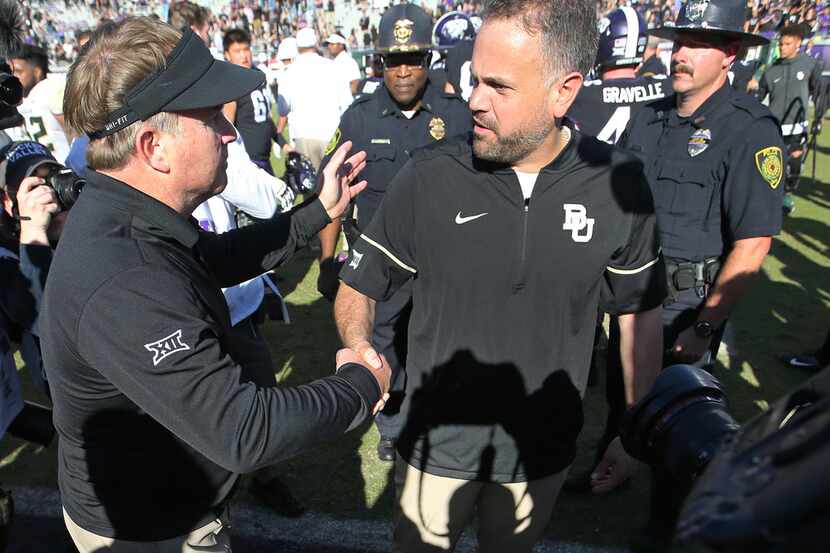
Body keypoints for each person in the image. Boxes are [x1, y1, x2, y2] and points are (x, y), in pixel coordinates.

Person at [40, 17, 390, 552]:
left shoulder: (130, 212)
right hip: (153, 532)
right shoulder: (123, 278)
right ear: (154, 146)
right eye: (211, 117)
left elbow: (210, 259)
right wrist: (362, 385)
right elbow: (243, 431)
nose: (231, 131)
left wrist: (316, 212)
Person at [334, 0, 666, 550]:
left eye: (499, 86)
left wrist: (637, 431)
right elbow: (360, 282)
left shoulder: (619, 183)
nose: (474, 100)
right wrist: (355, 341)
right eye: (475, 80)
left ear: (564, 91)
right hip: (434, 446)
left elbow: (638, 314)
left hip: (541, 452)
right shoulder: (431, 174)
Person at [618, 1, 784, 551]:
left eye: (699, 43)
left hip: (683, 310)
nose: (681, 53)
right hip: (627, 296)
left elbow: (755, 241)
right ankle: (612, 465)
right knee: (623, 403)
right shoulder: (650, 115)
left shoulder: (748, 129)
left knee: (679, 431)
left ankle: (668, 528)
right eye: (679, 40)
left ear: (731, 54)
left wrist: (705, 327)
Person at [317, 3, 472, 462]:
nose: (403, 70)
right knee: (381, 340)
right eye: (393, 59)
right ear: (379, 62)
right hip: (379, 263)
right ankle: (391, 422)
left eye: (415, 59)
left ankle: (434, 416)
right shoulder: (358, 118)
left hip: (444, 260)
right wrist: (328, 264)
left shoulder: (458, 116)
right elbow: (333, 198)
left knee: (442, 342)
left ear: (430, 60)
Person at [563, 6, 669, 494]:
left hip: (587, 230)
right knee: (635, 344)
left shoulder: (582, 94)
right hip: (647, 234)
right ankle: (624, 444)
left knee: (574, 341)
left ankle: (563, 440)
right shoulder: (665, 90)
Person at [756, 23, 823, 215]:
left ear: (798, 44)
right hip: (775, 126)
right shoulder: (771, 70)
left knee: (794, 164)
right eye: (780, 44)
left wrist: (819, 117)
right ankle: (772, 196)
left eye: (787, 44)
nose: (782, 48)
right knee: (772, 165)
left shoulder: (809, 64)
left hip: (797, 127)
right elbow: (759, 97)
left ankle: (786, 195)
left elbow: (818, 93)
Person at [279, 27, 354, 169]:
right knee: (332, 185)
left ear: (298, 46)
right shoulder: (333, 66)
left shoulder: (289, 71)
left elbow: (283, 108)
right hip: (330, 133)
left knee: (310, 185)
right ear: (316, 44)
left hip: (302, 135)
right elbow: (347, 104)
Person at [222, 28, 280, 174]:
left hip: (264, 160)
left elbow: (264, 119)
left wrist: (284, 144)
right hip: (247, 164)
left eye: (246, 49)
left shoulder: (257, 76)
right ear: (227, 55)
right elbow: (226, 127)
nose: (244, 55)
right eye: (237, 51)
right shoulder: (231, 84)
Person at [8, 45, 71, 162]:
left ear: (37, 72)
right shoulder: (17, 99)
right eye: (10, 72)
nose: (13, 77)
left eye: (18, 71)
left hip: (65, 167)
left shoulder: (50, 87)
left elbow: (74, 133)